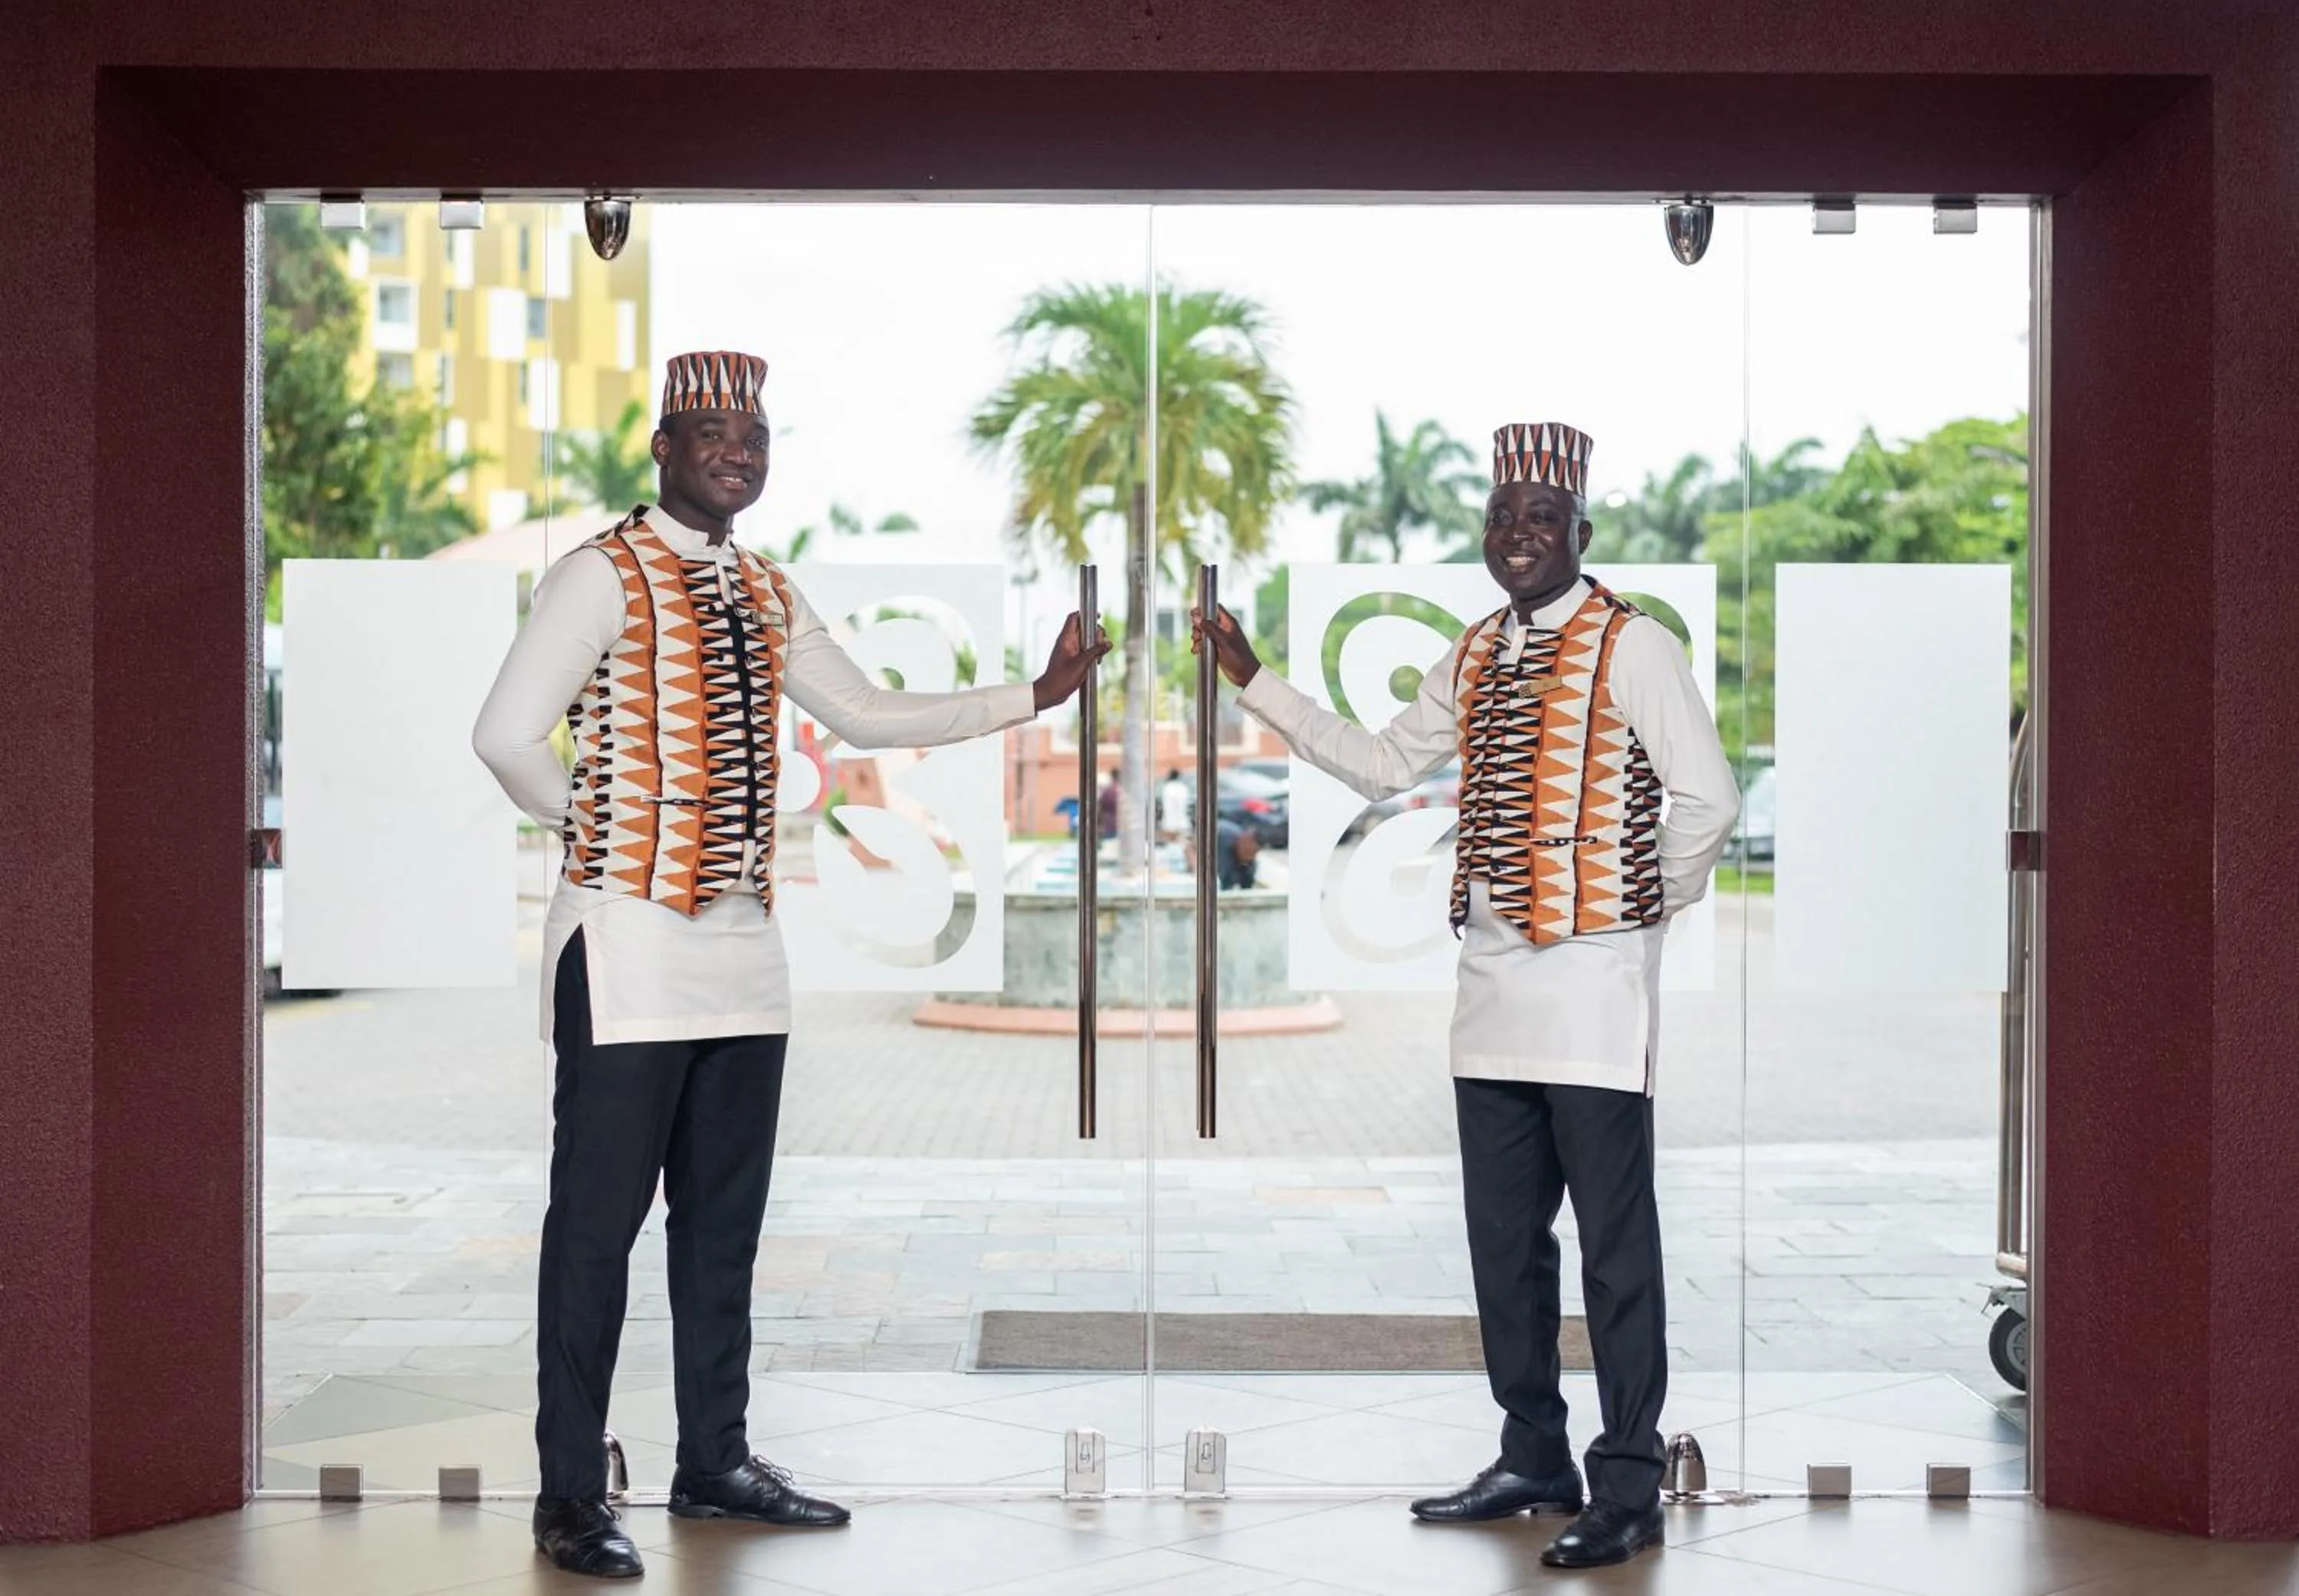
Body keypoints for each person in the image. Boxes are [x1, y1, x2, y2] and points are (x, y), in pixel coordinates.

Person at [473, 350, 1107, 1581]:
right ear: (662, 445)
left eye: (756, 434)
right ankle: (567, 1494)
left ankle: (713, 1463)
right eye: (713, 431)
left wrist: (1033, 694)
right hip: (624, 947)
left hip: (743, 956)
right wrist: (595, 833)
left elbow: (866, 713)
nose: (739, 452)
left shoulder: (766, 587)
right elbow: (503, 736)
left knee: (723, 1228)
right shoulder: (596, 575)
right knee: (594, 1233)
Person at [1193, 421, 1736, 1570]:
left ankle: (1627, 1480)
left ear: (1581, 532)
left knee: (1616, 1250)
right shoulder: (1479, 650)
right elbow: (1383, 764)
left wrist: (1645, 908)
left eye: (1542, 516)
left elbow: (1708, 799)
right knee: (1505, 1242)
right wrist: (1252, 678)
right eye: (1502, 517)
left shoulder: (1630, 645)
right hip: (1488, 989)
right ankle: (1533, 1451)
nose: (1519, 535)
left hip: (1595, 996)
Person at [1157, 766, 1190, 842]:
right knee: (1183, 844)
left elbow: (1165, 805)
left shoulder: (1167, 788)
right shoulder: (1183, 788)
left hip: (1169, 822)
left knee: (1170, 844)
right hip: (1183, 822)